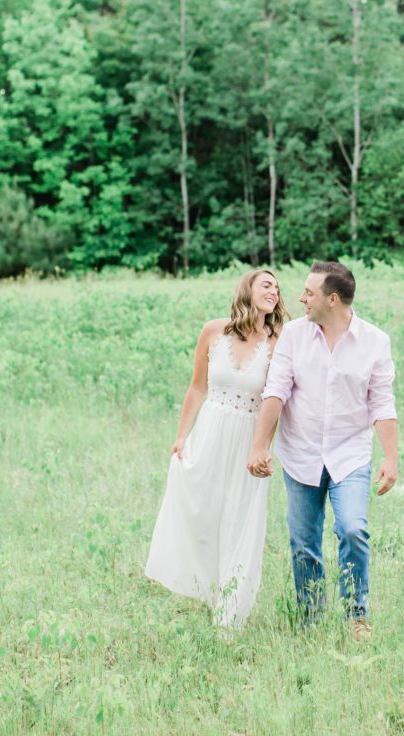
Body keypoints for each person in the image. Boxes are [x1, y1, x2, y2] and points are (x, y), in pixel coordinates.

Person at [247, 261, 397, 638]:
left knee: (352, 529)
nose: (299, 298)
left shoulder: (375, 342)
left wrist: (391, 458)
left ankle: (356, 616)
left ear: (332, 299)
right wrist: (260, 446)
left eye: (309, 293)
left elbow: (382, 403)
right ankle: (311, 619)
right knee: (303, 544)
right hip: (301, 453)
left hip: (350, 454)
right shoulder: (294, 336)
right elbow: (276, 390)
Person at [145, 269, 288, 628]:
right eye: (266, 285)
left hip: (247, 441)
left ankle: (230, 613)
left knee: (241, 521)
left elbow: (278, 400)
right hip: (210, 431)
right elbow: (197, 388)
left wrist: (263, 447)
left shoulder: (279, 341)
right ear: (248, 289)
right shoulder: (213, 331)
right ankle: (205, 590)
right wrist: (181, 436)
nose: (273, 291)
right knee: (203, 512)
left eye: (277, 288)